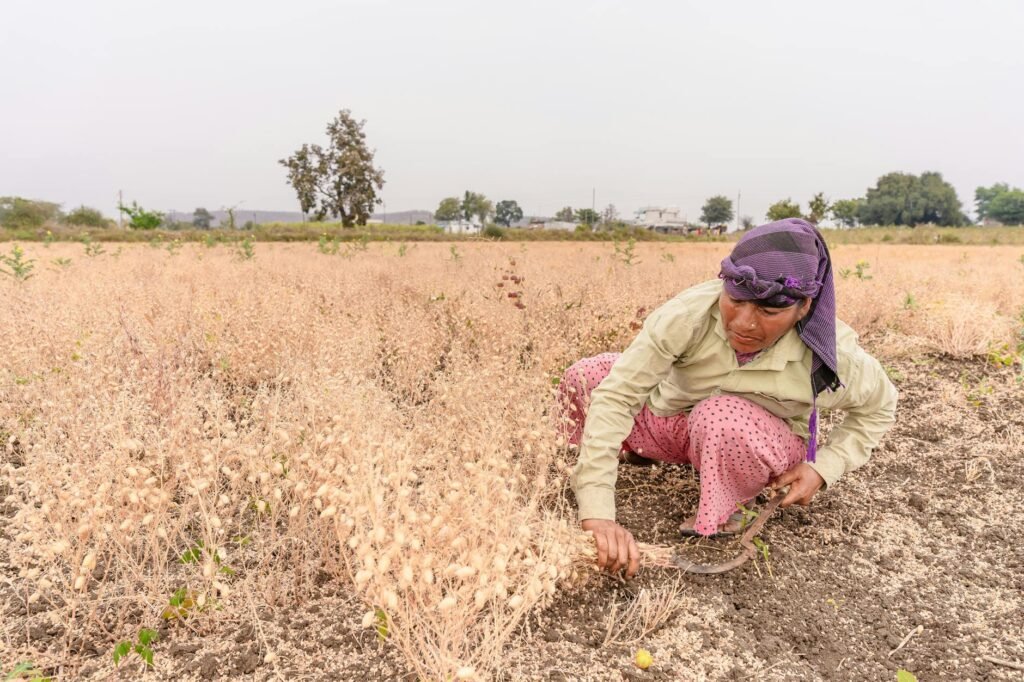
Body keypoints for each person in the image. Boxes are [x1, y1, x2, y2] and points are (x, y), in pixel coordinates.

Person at [558, 218, 897, 578]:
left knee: (720, 416)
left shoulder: (834, 356)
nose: (744, 323)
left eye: (768, 312)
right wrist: (597, 513)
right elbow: (618, 396)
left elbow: (880, 407)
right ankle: (630, 455)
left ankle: (729, 505)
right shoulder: (689, 314)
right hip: (673, 424)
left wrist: (822, 466)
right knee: (588, 376)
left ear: (805, 307)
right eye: (735, 301)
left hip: (753, 442)